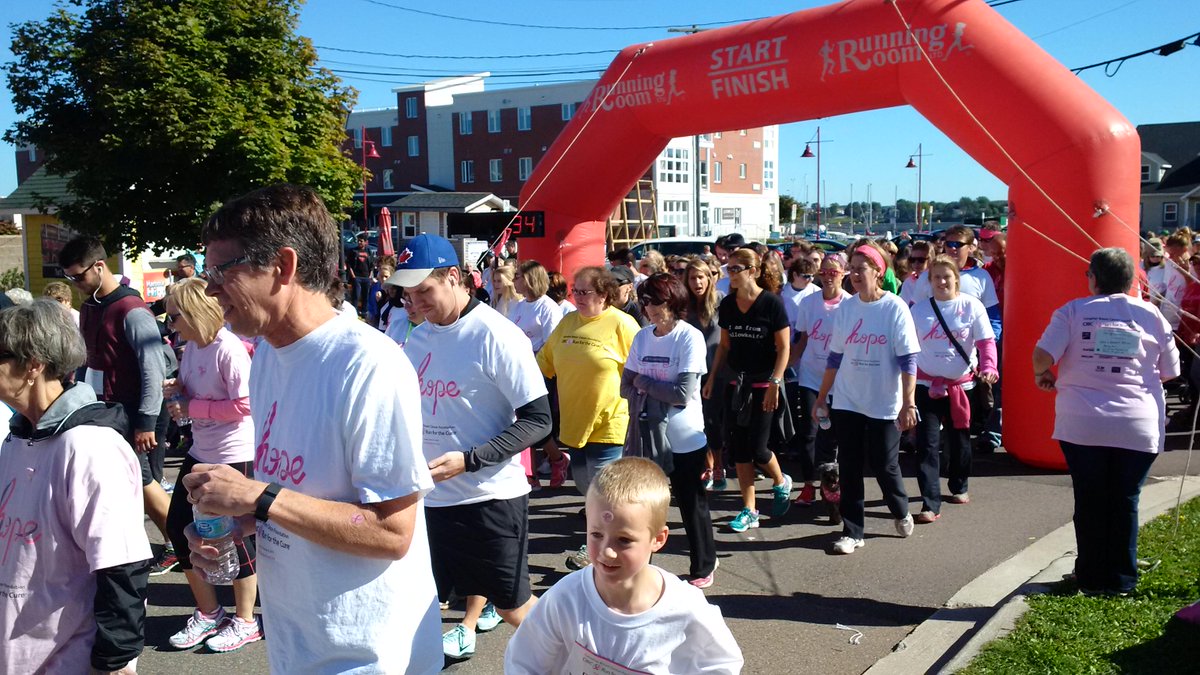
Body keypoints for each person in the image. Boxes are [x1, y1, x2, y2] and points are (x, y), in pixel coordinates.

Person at [181, 184, 442, 673]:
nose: (209, 287)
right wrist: (239, 523)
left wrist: (259, 497)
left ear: (283, 266)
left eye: (221, 269)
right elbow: (301, 495)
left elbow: (392, 532)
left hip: (366, 654)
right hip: (296, 642)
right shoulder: (268, 358)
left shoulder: (366, 363)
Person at [390, 234, 551, 660]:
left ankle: (577, 660)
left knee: (513, 606)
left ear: (455, 277)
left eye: (425, 291)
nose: (416, 303)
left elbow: (539, 421)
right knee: (421, 602)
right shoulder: (417, 337)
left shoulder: (498, 335)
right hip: (429, 500)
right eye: (408, 294)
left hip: (489, 499)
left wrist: (470, 460)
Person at [0, 299, 152, 674]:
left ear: (33, 364)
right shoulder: (18, 439)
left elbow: (122, 565)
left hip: (68, 659)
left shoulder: (89, 447)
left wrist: (114, 663)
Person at [503, 458, 743, 674]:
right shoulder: (566, 598)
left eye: (624, 540)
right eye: (596, 534)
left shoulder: (685, 608)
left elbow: (721, 666)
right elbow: (525, 662)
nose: (607, 551)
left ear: (658, 539)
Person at [1033, 247, 1179, 596]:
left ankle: (1090, 576)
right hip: (1137, 423)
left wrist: (1044, 374)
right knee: (1125, 500)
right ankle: (1122, 580)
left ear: (1093, 278)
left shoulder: (1072, 311)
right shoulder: (1152, 315)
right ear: (1131, 281)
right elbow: (1171, 372)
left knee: (1090, 499)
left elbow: (1042, 354)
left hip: (1082, 422)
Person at [59, 235, 176, 573]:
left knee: (144, 481)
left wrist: (145, 422)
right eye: (70, 278)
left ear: (99, 266)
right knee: (124, 483)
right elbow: (85, 360)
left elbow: (153, 370)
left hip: (129, 414)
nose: (76, 283)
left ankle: (177, 545)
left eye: (79, 276)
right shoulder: (91, 307)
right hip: (100, 412)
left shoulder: (132, 311)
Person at [160, 278, 262, 653]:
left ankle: (246, 620)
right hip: (201, 450)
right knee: (178, 527)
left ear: (194, 312)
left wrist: (192, 407)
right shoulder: (192, 348)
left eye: (174, 317)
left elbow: (246, 405)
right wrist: (177, 392)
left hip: (235, 454)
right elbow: (195, 396)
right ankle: (209, 612)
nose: (171, 325)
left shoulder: (229, 349)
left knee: (236, 536)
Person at [813, 243, 920, 555]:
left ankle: (900, 509)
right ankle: (852, 531)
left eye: (862, 268)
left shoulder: (894, 307)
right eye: (853, 268)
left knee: (884, 464)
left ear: (878, 271)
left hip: (885, 400)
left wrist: (908, 402)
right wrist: (822, 398)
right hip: (848, 399)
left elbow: (908, 360)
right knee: (849, 465)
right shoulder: (847, 307)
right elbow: (835, 357)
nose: (856, 275)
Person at [538, 265, 640, 569]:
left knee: (603, 491)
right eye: (576, 291)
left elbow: (640, 370)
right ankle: (620, 536)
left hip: (611, 419)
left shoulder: (622, 324)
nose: (579, 297)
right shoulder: (567, 322)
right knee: (586, 487)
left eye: (586, 291)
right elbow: (543, 363)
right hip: (574, 422)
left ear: (604, 293)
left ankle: (598, 549)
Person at [621, 273, 718, 587]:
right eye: (646, 301)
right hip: (646, 434)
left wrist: (645, 384)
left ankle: (703, 565)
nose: (650, 308)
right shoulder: (642, 336)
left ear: (673, 302)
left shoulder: (689, 337)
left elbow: (682, 392)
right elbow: (625, 386)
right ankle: (640, 567)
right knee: (645, 505)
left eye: (656, 301)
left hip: (685, 435)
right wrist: (649, 387)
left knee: (691, 503)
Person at [702, 248, 794, 533]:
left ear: (752, 271)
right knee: (739, 449)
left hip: (765, 384)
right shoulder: (728, 304)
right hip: (736, 384)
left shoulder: (771, 304)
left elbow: (784, 348)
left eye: (735, 269)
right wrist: (712, 377)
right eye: (728, 269)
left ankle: (780, 482)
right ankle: (748, 510)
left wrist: (775, 383)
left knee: (758, 448)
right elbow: (725, 346)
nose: (730, 274)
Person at [909, 256, 997, 522]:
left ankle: (959, 485)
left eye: (946, 276)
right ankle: (930, 503)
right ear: (930, 281)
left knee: (959, 443)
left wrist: (990, 367)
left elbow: (986, 341)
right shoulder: (918, 310)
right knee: (927, 445)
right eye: (936, 277)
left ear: (956, 278)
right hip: (926, 386)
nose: (942, 282)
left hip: (962, 386)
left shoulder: (972, 306)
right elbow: (907, 348)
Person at [790, 253, 850, 505]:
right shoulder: (808, 302)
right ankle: (808, 484)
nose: (827, 277)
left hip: (840, 380)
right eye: (822, 272)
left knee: (835, 435)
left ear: (844, 274)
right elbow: (802, 340)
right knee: (809, 433)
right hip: (810, 376)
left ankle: (836, 485)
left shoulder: (850, 304)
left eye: (833, 272)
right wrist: (781, 369)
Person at [684, 256, 727, 490]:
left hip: (716, 371)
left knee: (712, 421)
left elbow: (724, 343)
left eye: (701, 277)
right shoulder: (685, 306)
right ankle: (707, 465)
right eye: (692, 278)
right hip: (692, 373)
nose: (697, 282)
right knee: (696, 421)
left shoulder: (721, 301)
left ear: (709, 279)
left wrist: (711, 377)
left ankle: (719, 464)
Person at [510, 260, 562, 353]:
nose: (513, 280)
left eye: (517, 276)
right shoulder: (519, 305)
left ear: (529, 279)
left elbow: (550, 345)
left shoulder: (548, 308)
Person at [346, 233, 374, 316]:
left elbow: (372, 265)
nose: (359, 243)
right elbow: (349, 264)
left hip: (366, 277)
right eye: (358, 241)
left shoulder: (368, 251)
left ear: (365, 242)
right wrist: (353, 276)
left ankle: (364, 312)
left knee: (366, 296)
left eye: (361, 241)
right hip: (357, 277)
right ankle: (355, 312)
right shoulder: (353, 251)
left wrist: (370, 276)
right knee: (356, 295)